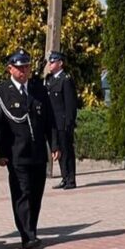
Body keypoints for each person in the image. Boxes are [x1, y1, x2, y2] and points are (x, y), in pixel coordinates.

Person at [0, 48, 60, 249]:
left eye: (26, 66)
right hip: (15, 153)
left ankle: (32, 230)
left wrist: (54, 144)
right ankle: (27, 235)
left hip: (37, 152)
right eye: (19, 67)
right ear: (10, 68)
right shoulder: (0, 92)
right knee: (22, 194)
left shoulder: (38, 89)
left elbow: (49, 120)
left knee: (36, 194)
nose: (24, 71)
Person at [45, 51, 78, 189]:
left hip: (63, 122)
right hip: (53, 122)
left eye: (53, 62)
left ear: (60, 63)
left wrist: (69, 123)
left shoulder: (66, 79)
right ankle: (64, 177)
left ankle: (71, 179)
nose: (50, 64)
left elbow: (70, 104)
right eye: (50, 62)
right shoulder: (50, 79)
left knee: (66, 151)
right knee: (57, 150)